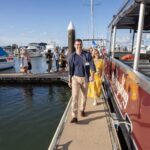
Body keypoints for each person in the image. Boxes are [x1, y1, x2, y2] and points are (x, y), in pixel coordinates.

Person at [68, 39, 96, 123]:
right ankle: (74, 116)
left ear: (82, 45)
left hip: (85, 78)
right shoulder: (72, 57)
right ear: (74, 45)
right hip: (75, 78)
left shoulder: (87, 55)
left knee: (84, 96)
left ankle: (82, 110)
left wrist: (92, 76)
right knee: (75, 97)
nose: (78, 46)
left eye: (80, 44)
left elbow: (92, 66)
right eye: (77, 44)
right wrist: (69, 81)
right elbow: (70, 70)